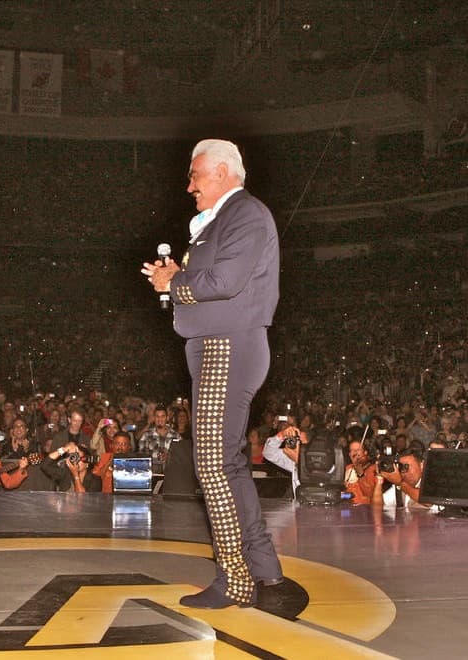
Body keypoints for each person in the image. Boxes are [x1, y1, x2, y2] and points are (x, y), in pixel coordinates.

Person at [142, 139, 283, 609]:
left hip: (228, 346)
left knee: (212, 466)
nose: (189, 186)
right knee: (231, 463)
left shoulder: (245, 214)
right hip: (220, 344)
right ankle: (261, 565)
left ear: (221, 173)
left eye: (195, 175)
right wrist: (181, 271)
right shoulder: (224, 220)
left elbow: (225, 282)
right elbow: (215, 275)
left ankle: (235, 579)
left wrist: (173, 283)